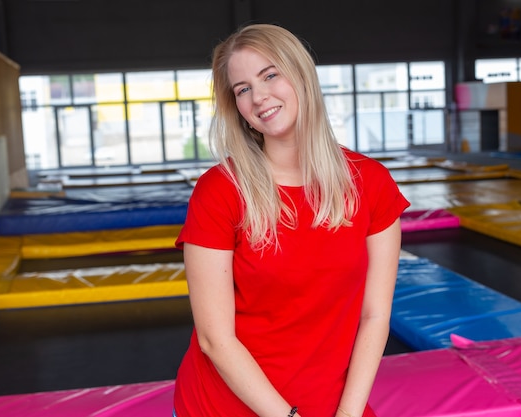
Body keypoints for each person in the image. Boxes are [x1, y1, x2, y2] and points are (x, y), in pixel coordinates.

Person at [173, 23, 410, 417]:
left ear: (300, 74)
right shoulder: (219, 191)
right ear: (238, 109)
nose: (259, 96)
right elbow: (216, 339)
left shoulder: (370, 183)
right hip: (224, 406)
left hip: (335, 405)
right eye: (243, 89)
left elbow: (374, 315)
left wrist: (349, 414)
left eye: (270, 75)